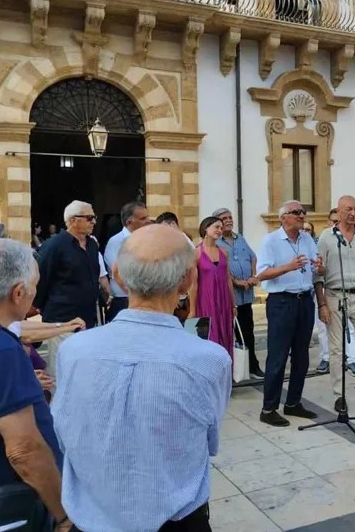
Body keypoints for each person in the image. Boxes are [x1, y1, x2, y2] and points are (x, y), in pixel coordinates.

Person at [52, 224, 231, 532]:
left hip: (92, 519)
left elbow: (63, 433)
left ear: (118, 276)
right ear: (188, 279)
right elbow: (209, 441)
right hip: (177, 520)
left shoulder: (73, 350)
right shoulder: (209, 359)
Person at [0, 239, 70, 532]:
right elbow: (24, 449)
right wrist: (63, 516)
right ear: (18, 292)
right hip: (3, 502)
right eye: (34, 285)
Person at [257, 200, 322, 427]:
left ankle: (293, 402)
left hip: (304, 300)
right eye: (296, 212)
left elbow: (315, 268)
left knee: (301, 355)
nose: (301, 215)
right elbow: (262, 274)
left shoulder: (306, 239)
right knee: (278, 356)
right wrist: (288, 266)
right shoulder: (271, 241)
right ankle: (269, 408)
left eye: (303, 212)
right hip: (281, 302)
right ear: (283, 217)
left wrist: (318, 266)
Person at [316, 195, 355, 412]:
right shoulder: (327, 237)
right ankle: (339, 394)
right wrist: (322, 304)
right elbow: (318, 274)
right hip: (335, 295)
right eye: (348, 209)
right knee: (336, 349)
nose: (353, 213)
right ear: (339, 210)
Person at [34, 200, 100, 364]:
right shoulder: (54, 245)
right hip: (61, 319)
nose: (94, 221)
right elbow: (40, 278)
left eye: (94, 217)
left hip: (88, 321)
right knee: (60, 371)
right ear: (73, 220)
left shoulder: (92, 244)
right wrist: (41, 306)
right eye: (89, 218)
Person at [214, 207, 264, 379]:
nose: (228, 220)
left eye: (230, 217)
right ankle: (232, 370)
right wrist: (236, 281)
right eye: (224, 218)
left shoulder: (240, 238)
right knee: (229, 333)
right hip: (229, 296)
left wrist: (251, 276)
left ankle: (252, 366)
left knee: (247, 331)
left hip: (246, 295)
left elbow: (253, 257)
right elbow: (220, 268)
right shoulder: (216, 242)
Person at [188, 217, 236, 363]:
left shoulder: (224, 252)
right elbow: (193, 284)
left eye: (221, 228)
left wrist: (233, 304)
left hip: (223, 301)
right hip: (205, 301)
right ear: (206, 229)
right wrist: (192, 310)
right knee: (208, 337)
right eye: (216, 227)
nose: (220, 230)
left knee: (225, 335)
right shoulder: (196, 253)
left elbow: (228, 279)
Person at [103, 201, 150, 321]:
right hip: (125, 300)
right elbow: (118, 273)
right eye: (143, 218)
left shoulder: (147, 239)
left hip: (145, 300)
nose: (148, 221)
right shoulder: (116, 242)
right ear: (130, 222)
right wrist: (135, 297)